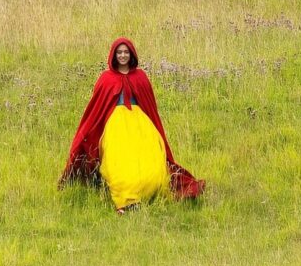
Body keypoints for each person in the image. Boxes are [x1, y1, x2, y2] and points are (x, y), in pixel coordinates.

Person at [59, 38, 204, 213]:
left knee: (149, 160)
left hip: (140, 124)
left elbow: (150, 106)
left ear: (132, 54)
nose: (123, 55)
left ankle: (149, 193)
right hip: (116, 126)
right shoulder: (106, 78)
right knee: (119, 162)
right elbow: (96, 109)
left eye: (126, 52)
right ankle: (126, 201)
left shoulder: (140, 77)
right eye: (119, 52)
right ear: (113, 55)